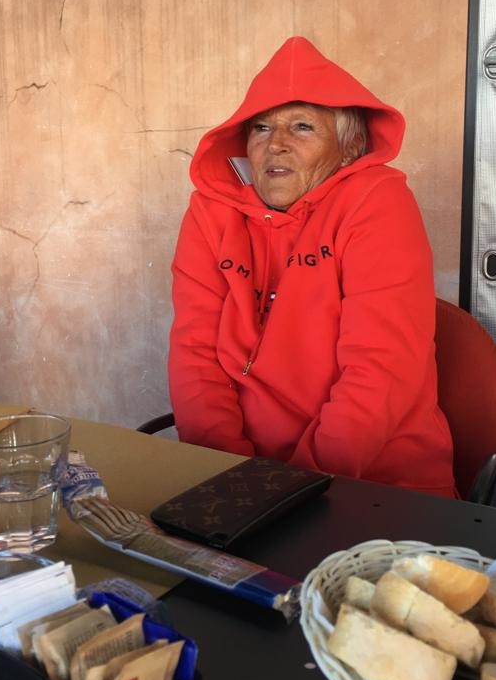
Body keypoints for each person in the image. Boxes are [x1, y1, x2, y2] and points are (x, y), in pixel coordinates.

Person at [168, 36, 455, 496]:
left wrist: (290, 493)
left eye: (302, 127)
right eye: (261, 128)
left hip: (376, 482)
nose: (276, 145)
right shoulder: (210, 214)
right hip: (240, 480)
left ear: (349, 148)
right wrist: (230, 480)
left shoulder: (377, 202)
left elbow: (381, 371)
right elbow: (195, 355)